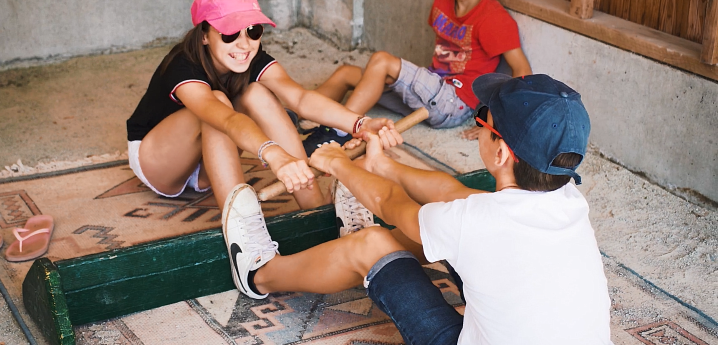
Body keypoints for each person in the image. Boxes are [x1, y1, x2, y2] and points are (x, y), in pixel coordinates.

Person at [224, 73, 613, 344]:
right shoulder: (570, 201)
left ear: (499, 152)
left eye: (483, 121)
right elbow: (456, 198)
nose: (478, 126)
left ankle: (260, 273)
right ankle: (349, 247)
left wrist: (337, 163)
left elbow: (389, 203)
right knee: (452, 216)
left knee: (373, 242)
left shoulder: (474, 222)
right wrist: (383, 166)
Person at [125, 0, 401, 289]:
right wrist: (274, 154)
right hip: (160, 161)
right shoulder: (183, 65)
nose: (244, 44)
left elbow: (301, 100)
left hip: (208, 161)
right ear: (204, 34)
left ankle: (316, 209)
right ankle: (244, 237)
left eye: (253, 31)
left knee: (258, 91)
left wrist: (361, 124)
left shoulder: (249, 58)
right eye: (229, 34)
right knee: (216, 102)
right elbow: (226, 120)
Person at [299, 0, 532, 156]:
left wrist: (497, 122)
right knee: (347, 73)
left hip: (455, 102)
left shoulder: (493, 18)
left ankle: (340, 131)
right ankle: (300, 114)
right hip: (431, 91)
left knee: (381, 61)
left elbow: (522, 70)